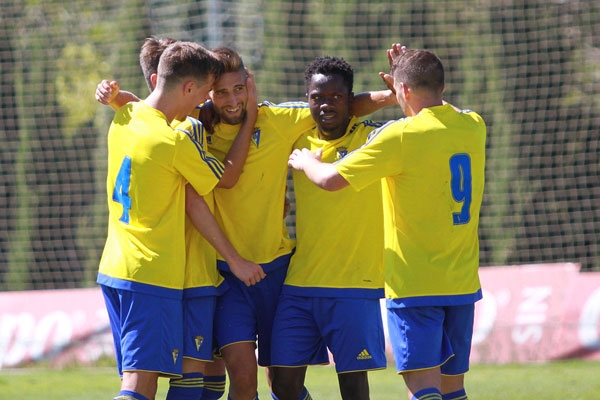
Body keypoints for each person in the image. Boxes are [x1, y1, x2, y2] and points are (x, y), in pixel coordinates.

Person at [97, 45, 395, 400]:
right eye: (221, 92)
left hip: (276, 270)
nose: (232, 99)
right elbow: (219, 174)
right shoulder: (194, 128)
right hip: (225, 273)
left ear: (250, 84)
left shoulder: (278, 119)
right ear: (206, 94)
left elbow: (333, 104)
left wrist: (393, 96)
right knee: (241, 375)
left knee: (283, 384)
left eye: (239, 89)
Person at [288, 44, 487, 400]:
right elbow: (443, 104)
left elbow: (330, 180)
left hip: (415, 286)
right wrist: (406, 78)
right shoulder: (473, 125)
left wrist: (305, 162)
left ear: (403, 90)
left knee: (423, 389)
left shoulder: (399, 136)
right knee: (453, 390)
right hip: (462, 282)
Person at [97, 41, 265, 400]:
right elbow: (217, 185)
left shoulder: (124, 117)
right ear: (189, 87)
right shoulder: (174, 143)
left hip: (114, 270)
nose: (204, 103)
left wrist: (116, 96)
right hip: (150, 276)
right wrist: (235, 260)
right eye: (204, 93)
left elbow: (131, 103)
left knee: (145, 379)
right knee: (139, 386)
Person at [270, 56, 388, 400]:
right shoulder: (297, 140)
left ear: (351, 102)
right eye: (317, 97)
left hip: (354, 284)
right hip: (300, 283)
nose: (325, 105)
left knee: (352, 387)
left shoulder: (373, 140)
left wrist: (393, 95)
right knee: (282, 384)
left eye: (336, 97)